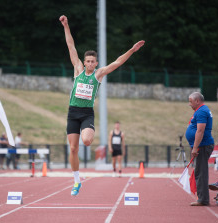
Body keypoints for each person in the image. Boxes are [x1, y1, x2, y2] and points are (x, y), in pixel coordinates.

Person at [59, 15, 145, 196]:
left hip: (86, 114)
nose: (90, 64)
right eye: (87, 61)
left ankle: (88, 133)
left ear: (96, 63)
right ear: (84, 62)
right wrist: (66, 25)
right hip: (72, 112)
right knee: (73, 149)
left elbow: (118, 62)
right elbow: (70, 45)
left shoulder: (98, 75)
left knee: (87, 141)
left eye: (92, 61)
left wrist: (131, 50)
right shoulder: (78, 69)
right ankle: (77, 181)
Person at [185, 92, 214, 206]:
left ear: (197, 101)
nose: (189, 104)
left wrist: (195, 148)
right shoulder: (201, 110)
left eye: (191, 102)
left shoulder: (202, 111)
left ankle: (203, 199)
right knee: (199, 171)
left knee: (201, 172)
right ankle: (202, 198)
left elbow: (200, 131)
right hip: (201, 146)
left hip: (202, 146)